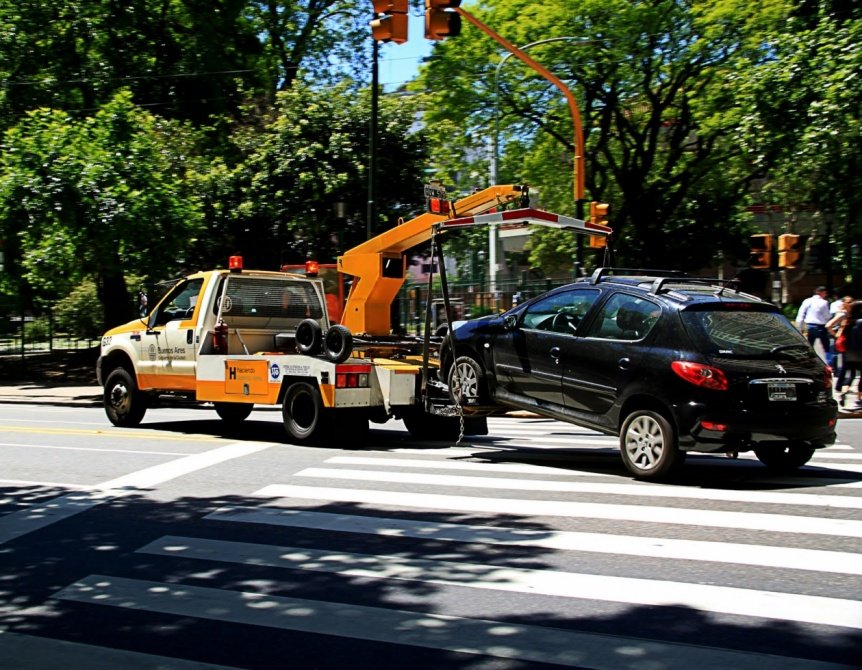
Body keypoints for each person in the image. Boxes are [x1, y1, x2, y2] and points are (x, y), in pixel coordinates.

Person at [827, 296, 855, 406]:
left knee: (846, 366)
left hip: (849, 343)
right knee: (846, 366)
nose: (851, 303)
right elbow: (828, 325)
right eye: (849, 302)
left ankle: (841, 387)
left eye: (852, 302)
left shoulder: (852, 314)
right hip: (844, 343)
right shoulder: (843, 314)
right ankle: (841, 387)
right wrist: (837, 336)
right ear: (844, 303)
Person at [796, 286, 831, 363]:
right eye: (825, 293)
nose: (825, 295)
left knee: (810, 346)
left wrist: (800, 327)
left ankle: (808, 361)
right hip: (821, 326)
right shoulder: (824, 302)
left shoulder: (807, 301)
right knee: (826, 347)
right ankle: (830, 364)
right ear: (821, 293)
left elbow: (801, 315)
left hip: (810, 326)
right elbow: (827, 316)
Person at [840, 301, 862, 410]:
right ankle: (859, 399)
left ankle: (843, 393)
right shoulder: (861, 322)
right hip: (860, 353)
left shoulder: (849, 321)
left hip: (849, 353)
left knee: (851, 375)